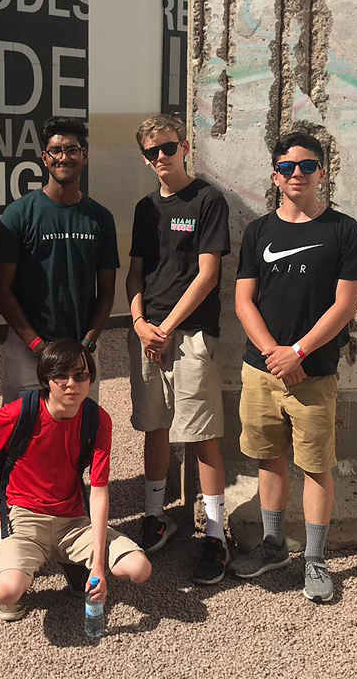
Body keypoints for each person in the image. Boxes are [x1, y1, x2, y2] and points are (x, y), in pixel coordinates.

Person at [229, 130, 357, 603]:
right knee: (269, 458)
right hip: (262, 371)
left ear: (322, 172)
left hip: (314, 372)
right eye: (287, 167)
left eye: (307, 165)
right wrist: (275, 355)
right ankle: (272, 545)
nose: (297, 174)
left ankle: (315, 559)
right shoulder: (259, 231)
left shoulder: (343, 229)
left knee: (315, 465)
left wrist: (298, 353)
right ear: (275, 176)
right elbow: (245, 301)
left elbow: (345, 304)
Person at [0, 340, 152, 621]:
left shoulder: (97, 419)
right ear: (46, 380)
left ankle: (74, 565)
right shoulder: (24, 411)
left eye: (81, 375)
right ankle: (20, 588)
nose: (71, 384)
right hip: (26, 518)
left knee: (139, 568)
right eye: (61, 376)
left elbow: (99, 492)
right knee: (6, 590)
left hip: (72, 521)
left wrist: (99, 567)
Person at [125, 115, 232, 584]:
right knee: (155, 426)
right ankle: (156, 516)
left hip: (189, 336)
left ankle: (215, 537)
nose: (161, 158)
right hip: (150, 333)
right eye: (151, 153)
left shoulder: (208, 200)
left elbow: (208, 274)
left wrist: (165, 327)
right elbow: (136, 273)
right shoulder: (145, 207)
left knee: (202, 435)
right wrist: (139, 322)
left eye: (168, 148)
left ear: (184, 146)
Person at [0, 117, 119, 403]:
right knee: (21, 435)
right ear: (45, 158)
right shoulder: (19, 214)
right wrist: (36, 345)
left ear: (84, 156)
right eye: (56, 151)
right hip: (27, 351)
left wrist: (87, 344)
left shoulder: (101, 218)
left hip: (79, 351)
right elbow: (0, 292)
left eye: (72, 150)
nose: (64, 157)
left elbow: (107, 292)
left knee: (78, 435)